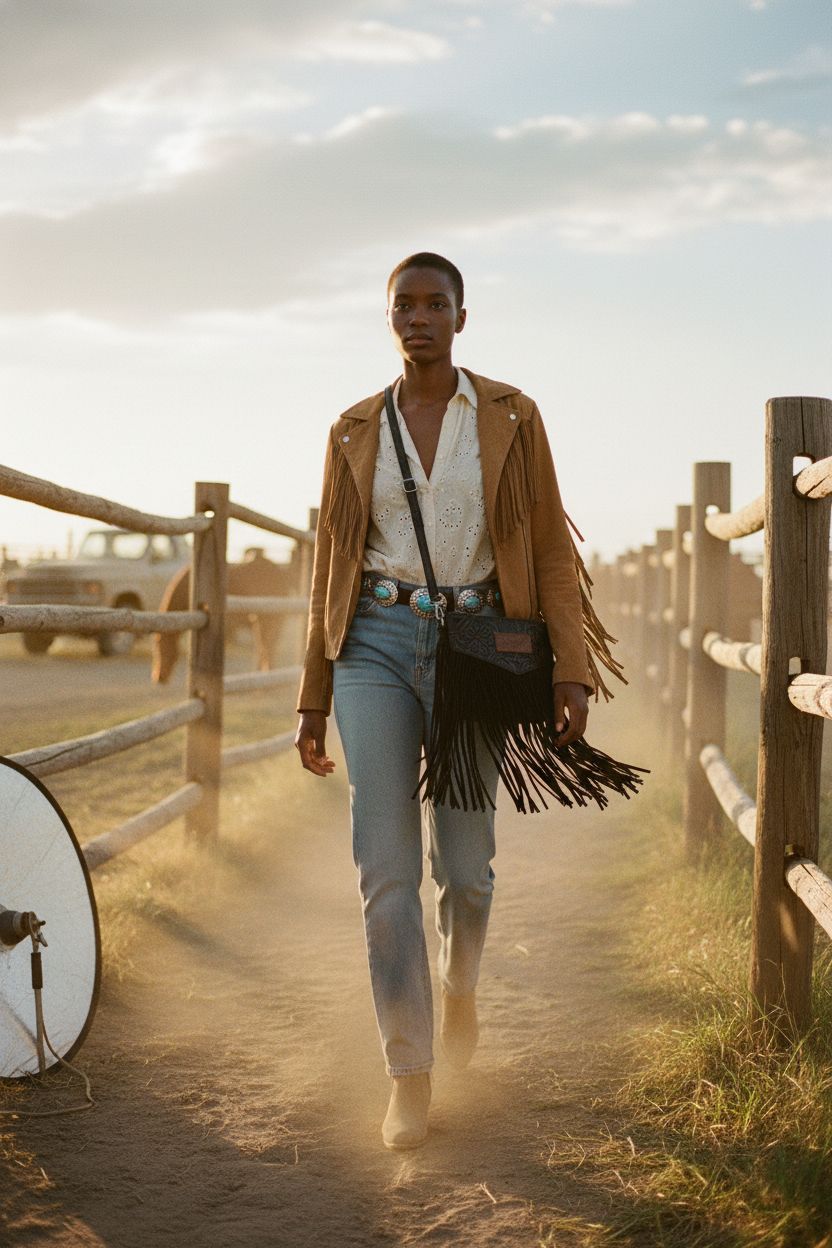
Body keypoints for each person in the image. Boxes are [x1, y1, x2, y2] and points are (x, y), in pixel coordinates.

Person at [295, 252, 595, 1150]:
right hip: (374, 649)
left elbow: (547, 548)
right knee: (385, 870)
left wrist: (569, 669)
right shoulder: (353, 428)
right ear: (388, 318)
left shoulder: (511, 415)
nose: (419, 317)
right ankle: (409, 1071)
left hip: (476, 654)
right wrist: (315, 695)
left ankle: (459, 988)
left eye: (436, 304)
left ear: (463, 317)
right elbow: (331, 568)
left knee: (465, 873)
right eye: (404, 305)